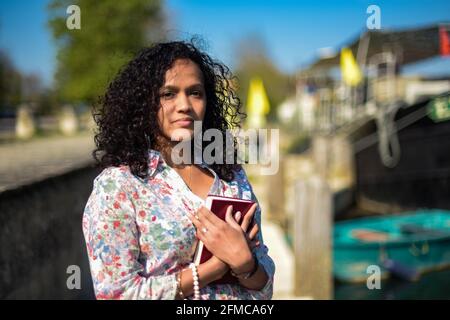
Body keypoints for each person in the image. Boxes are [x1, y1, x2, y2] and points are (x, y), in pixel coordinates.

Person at [82, 40, 275, 300]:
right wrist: (213, 268)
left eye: (195, 92)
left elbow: (265, 287)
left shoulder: (232, 177)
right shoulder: (119, 186)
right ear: (144, 103)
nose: (184, 105)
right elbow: (117, 294)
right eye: (168, 94)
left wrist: (246, 266)